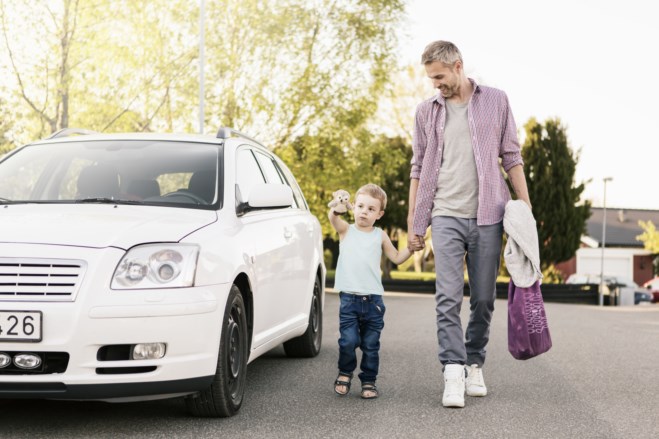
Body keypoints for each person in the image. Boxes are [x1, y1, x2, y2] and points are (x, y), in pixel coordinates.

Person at [406, 40, 532, 408]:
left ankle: (474, 362)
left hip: (488, 216)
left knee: (482, 299)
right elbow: (417, 168)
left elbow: (512, 157)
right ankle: (452, 370)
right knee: (446, 297)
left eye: (440, 76)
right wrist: (416, 222)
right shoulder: (425, 112)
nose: (435, 85)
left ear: (458, 66)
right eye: (431, 78)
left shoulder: (496, 100)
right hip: (445, 214)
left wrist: (526, 210)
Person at [330, 183, 412, 399]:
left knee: (370, 345)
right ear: (354, 207)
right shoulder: (346, 230)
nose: (364, 212)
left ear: (379, 214)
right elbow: (334, 219)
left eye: (370, 209)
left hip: (374, 301)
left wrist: (411, 248)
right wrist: (338, 206)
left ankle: (368, 381)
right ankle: (345, 372)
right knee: (348, 341)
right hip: (349, 299)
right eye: (360, 206)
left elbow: (396, 258)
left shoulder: (380, 235)